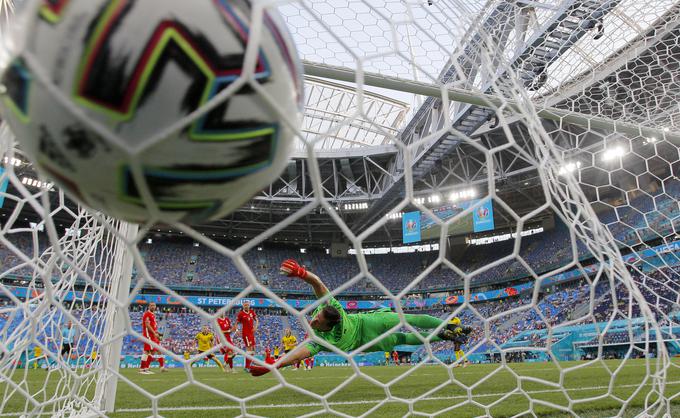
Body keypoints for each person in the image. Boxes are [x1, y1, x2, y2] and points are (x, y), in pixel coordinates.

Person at [250, 259, 460, 377]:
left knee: (407, 321)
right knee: (402, 340)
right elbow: (318, 285)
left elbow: (297, 355)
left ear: (329, 323)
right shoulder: (331, 313)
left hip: (365, 328)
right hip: (364, 339)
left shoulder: (323, 336)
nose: (312, 321)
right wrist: (302, 274)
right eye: (315, 319)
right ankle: (446, 334)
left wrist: (275, 365)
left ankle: (449, 327)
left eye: (317, 320)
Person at [139, 302, 166, 374]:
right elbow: (147, 325)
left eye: (154, 305)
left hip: (152, 335)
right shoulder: (147, 314)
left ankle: (146, 368)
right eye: (151, 305)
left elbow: (153, 326)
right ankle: (142, 369)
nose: (153, 307)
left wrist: (158, 333)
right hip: (148, 335)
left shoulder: (152, 315)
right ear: (149, 306)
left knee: (152, 351)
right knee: (147, 351)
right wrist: (154, 333)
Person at [236, 301, 258, 371]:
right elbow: (236, 323)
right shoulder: (241, 314)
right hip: (246, 334)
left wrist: (255, 327)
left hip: (251, 333)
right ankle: (247, 367)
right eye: (245, 305)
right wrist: (237, 330)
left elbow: (256, 319)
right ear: (243, 306)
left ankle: (249, 364)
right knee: (249, 349)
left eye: (247, 305)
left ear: (249, 306)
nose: (246, 306)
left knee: (253, 350)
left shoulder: (252, 312)